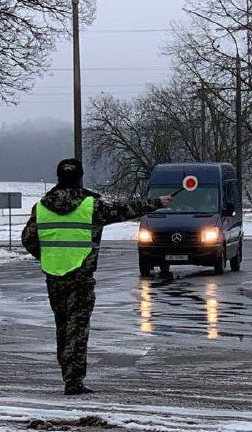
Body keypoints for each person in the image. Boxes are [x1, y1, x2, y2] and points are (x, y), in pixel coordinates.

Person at [22, 159, 171, 395]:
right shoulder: (91, 206)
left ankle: (67, 372)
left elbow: (28, 239)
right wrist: (157, 202)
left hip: (54, 276)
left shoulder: (41, 207)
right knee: (78, 328)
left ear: (58, 178)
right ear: (80, 179)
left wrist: (49, 255)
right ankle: (74, 380)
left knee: (62, 327)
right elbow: (125, 209)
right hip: (81, 275)